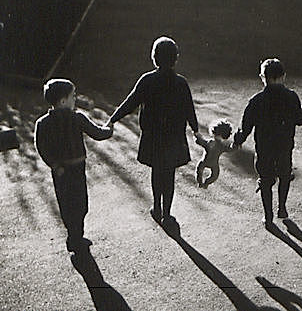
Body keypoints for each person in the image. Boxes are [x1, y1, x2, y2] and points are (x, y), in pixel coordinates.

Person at [107, 36, 200, 228]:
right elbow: (189, 109)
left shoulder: (147, 80)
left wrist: (113, 119)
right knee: (169, 174)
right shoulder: (181, 83)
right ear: (176, 59)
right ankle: (167, 213)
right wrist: (196, 130)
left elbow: (130, 103)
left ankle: (156, 207)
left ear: (154, 58)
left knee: (157, 172)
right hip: (174, 136)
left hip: (153, 135)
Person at [34, 79, 113, 252]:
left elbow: (42, 148)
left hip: (60, 170)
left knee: (66, 202)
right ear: (63, 100)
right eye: (73, 96)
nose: (75, 99)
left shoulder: (42, 123)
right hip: (77, 167)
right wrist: (109, 129)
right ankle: (77, 237)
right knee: (80, 203)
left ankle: (73, 235)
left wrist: (54, 164)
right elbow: (97, 133)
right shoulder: (77, 118)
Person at [233, 58, 302, 227]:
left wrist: (238, 141)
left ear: (262, 77)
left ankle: (268, 215)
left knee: (265, 180)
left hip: (264, 147)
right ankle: (282, 207)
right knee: (285, 175)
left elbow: (246, 126)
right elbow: (299, 119)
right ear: (284, 76)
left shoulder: (257, 101)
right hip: (284, 145)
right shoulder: (291, 97)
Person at [195, 119, 235, 188]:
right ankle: (200, 183)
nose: (218, 137)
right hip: (206, 162)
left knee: (214, 175)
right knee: (199, 171)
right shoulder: (211, 143)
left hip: (213, 164)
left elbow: (229, 149)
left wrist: (234, 146)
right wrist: (197, 138)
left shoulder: (221, 146)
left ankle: (206, 182)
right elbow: (202, 142)